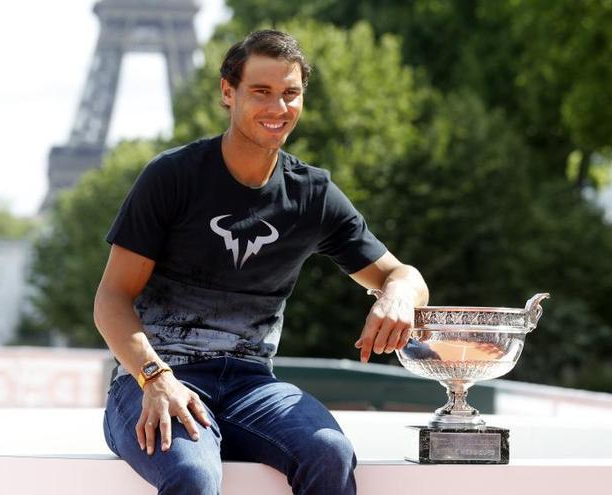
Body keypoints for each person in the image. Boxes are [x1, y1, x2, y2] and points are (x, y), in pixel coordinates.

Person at [94, 29, 429, 495]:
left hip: (252, 386)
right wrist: (155, 377)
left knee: (330, 452)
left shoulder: (312, 194)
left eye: (291, 94)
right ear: (228, 92)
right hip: (153, 377)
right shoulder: (172, 176)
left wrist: (396, 295)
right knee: (193, 475)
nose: (279, 108)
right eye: (262, 92)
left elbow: (403, 275)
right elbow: (111, 298)